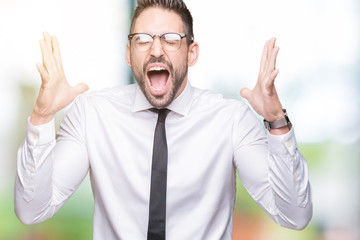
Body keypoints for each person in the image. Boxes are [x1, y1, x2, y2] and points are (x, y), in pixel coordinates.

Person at [15, 0, 313, 239]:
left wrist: (276, 121)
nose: (156, 50)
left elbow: (294, 216)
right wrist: (42, 117)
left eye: (171, 39)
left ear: (191, 53)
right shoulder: (92, 114)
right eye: (142, 40)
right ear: (129, 54)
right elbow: (31, 211)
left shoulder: (230, 120)